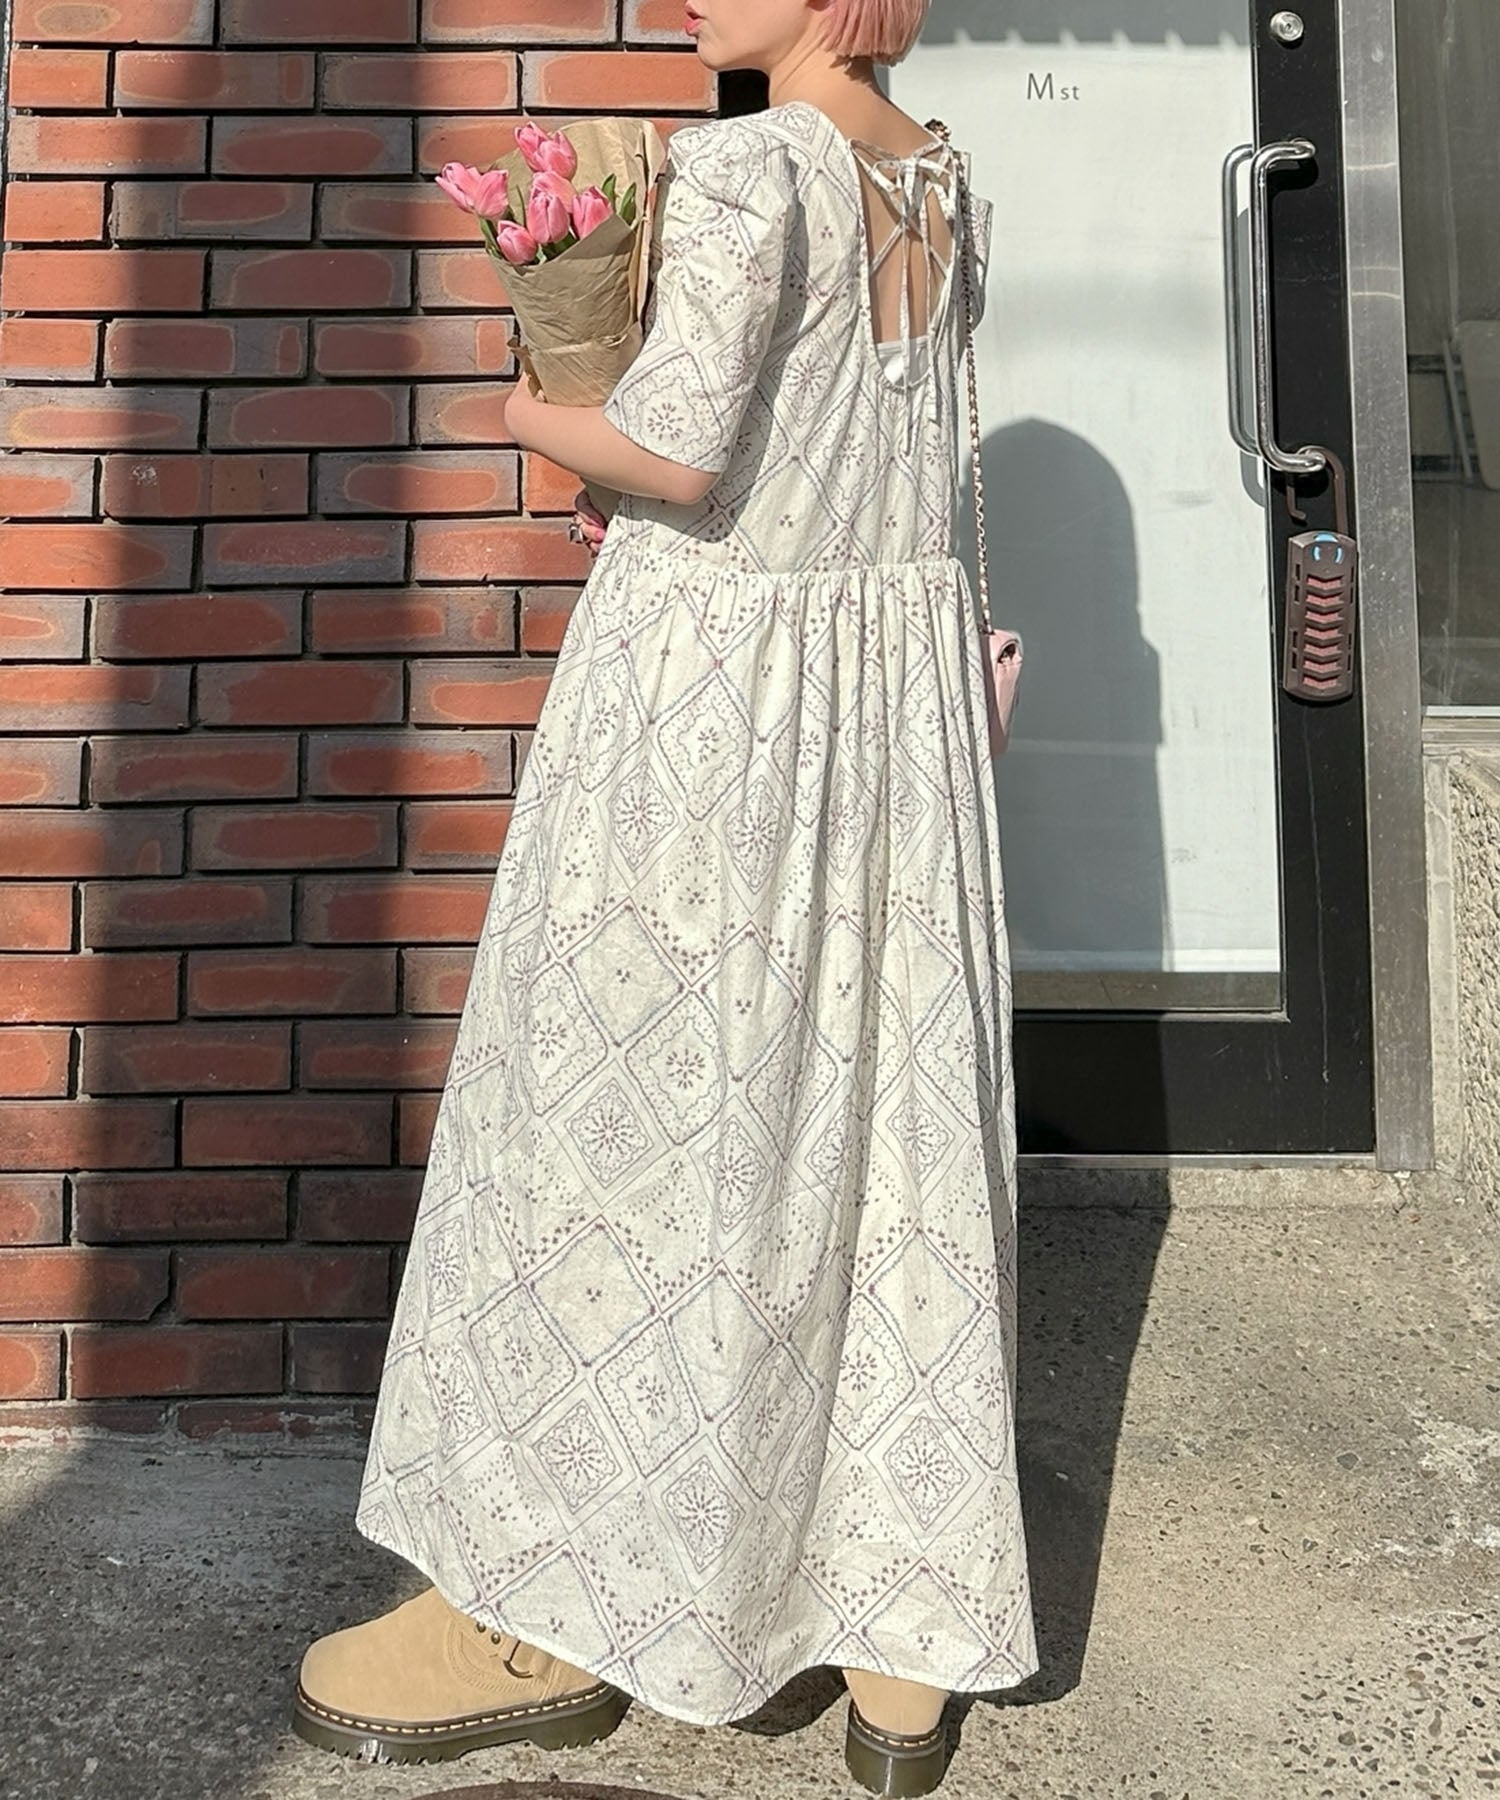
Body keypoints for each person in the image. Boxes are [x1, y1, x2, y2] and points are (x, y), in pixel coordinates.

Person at [290, 1, 1036, 1792]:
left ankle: (546, 1613)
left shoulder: (746, 166)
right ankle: (896, 1636)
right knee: (880, 1150)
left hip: (711, 710)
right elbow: (889, 459)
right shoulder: (940, 176)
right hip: (890, 714)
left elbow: (680, 457)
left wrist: (525, 405)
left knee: (620, 1143)